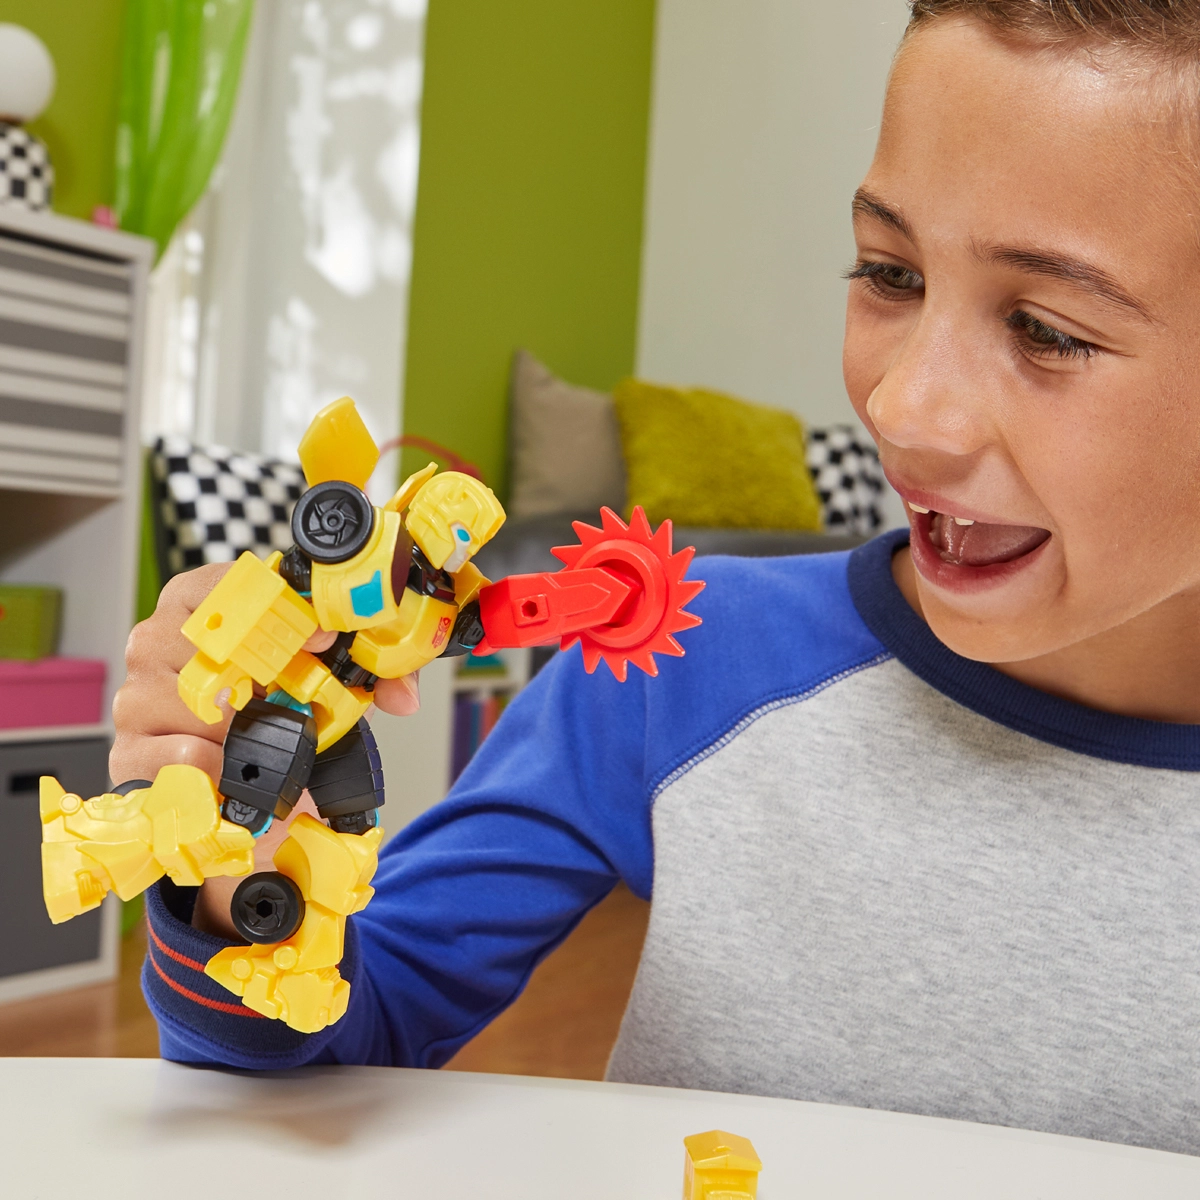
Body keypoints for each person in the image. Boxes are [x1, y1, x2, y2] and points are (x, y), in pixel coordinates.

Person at [113, 0, 1200, 1156]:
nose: (902, 409)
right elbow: (331, 1049)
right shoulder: (682, 660)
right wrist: (244, 866)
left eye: (1046, 329)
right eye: (889, 272)